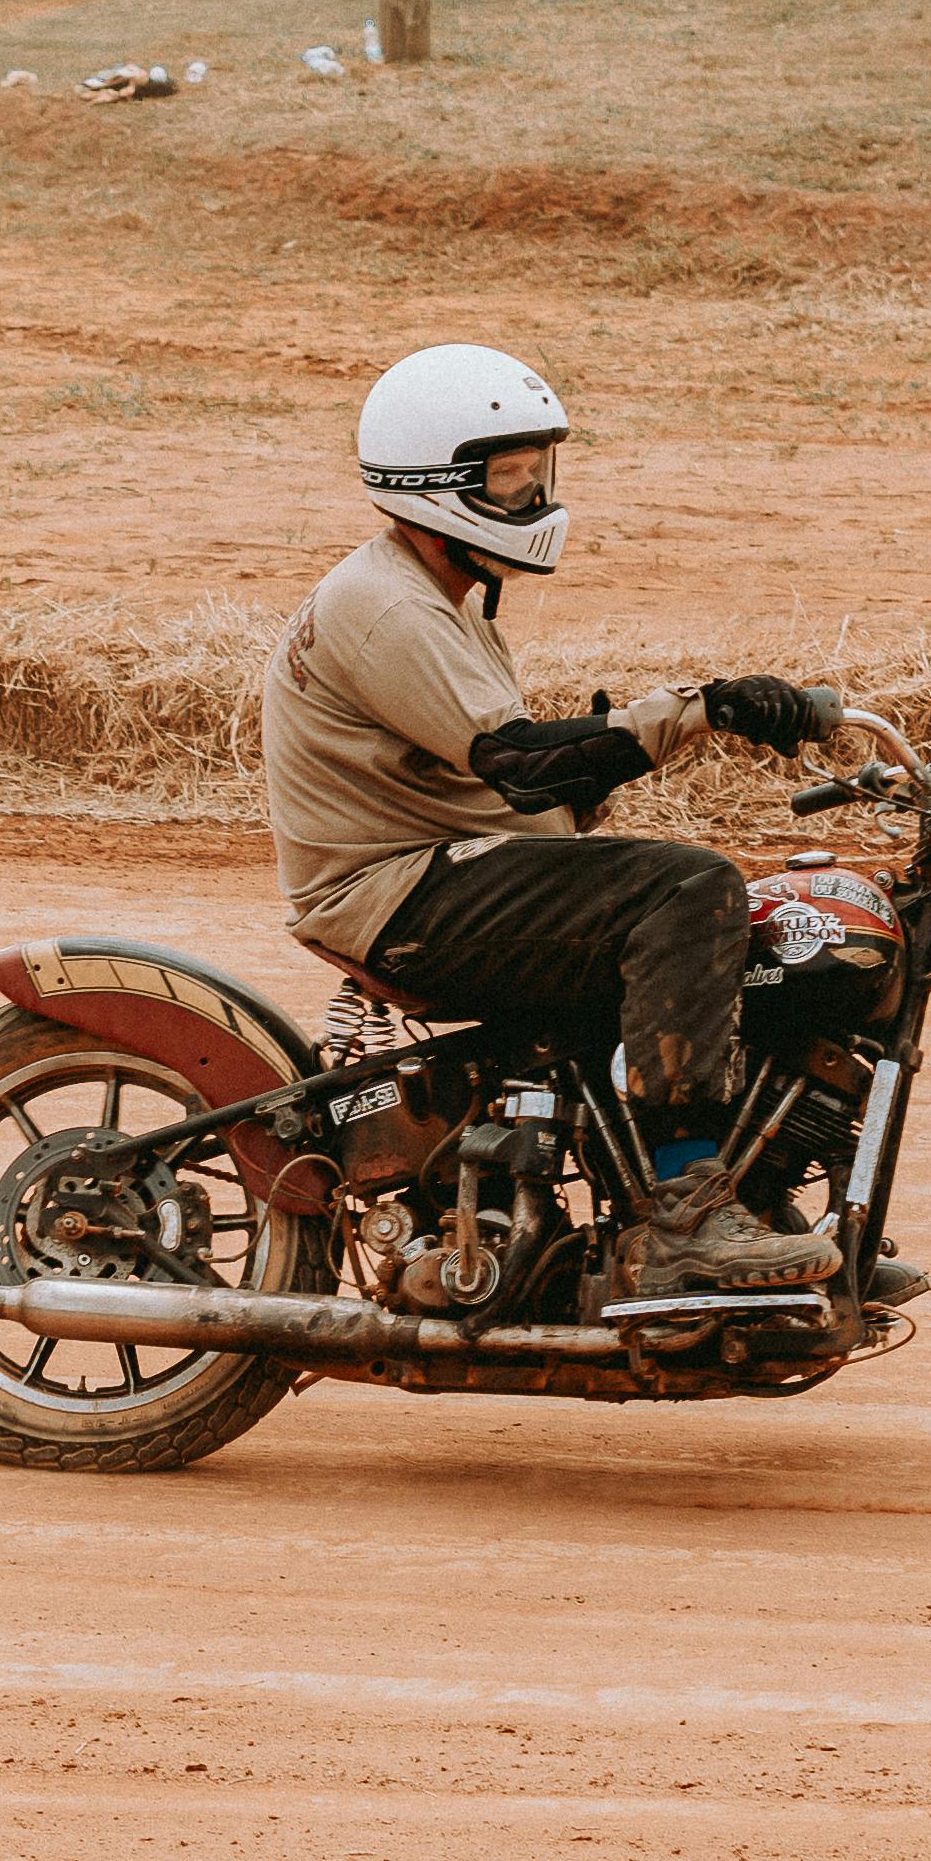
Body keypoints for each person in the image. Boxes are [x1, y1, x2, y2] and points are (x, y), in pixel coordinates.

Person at [262, 342, 880, 1302]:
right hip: (396, 892)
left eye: (536, 471)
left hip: (442, 866)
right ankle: (686, 1216)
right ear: (436, 484)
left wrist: (597, 773)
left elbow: (501, 777)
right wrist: (701, 709)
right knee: (689, 888)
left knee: (707, 924)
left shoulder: (443, 599)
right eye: (509, 475)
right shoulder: (389, 609)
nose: (533, 494)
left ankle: (731, 1199)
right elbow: (517, 760)